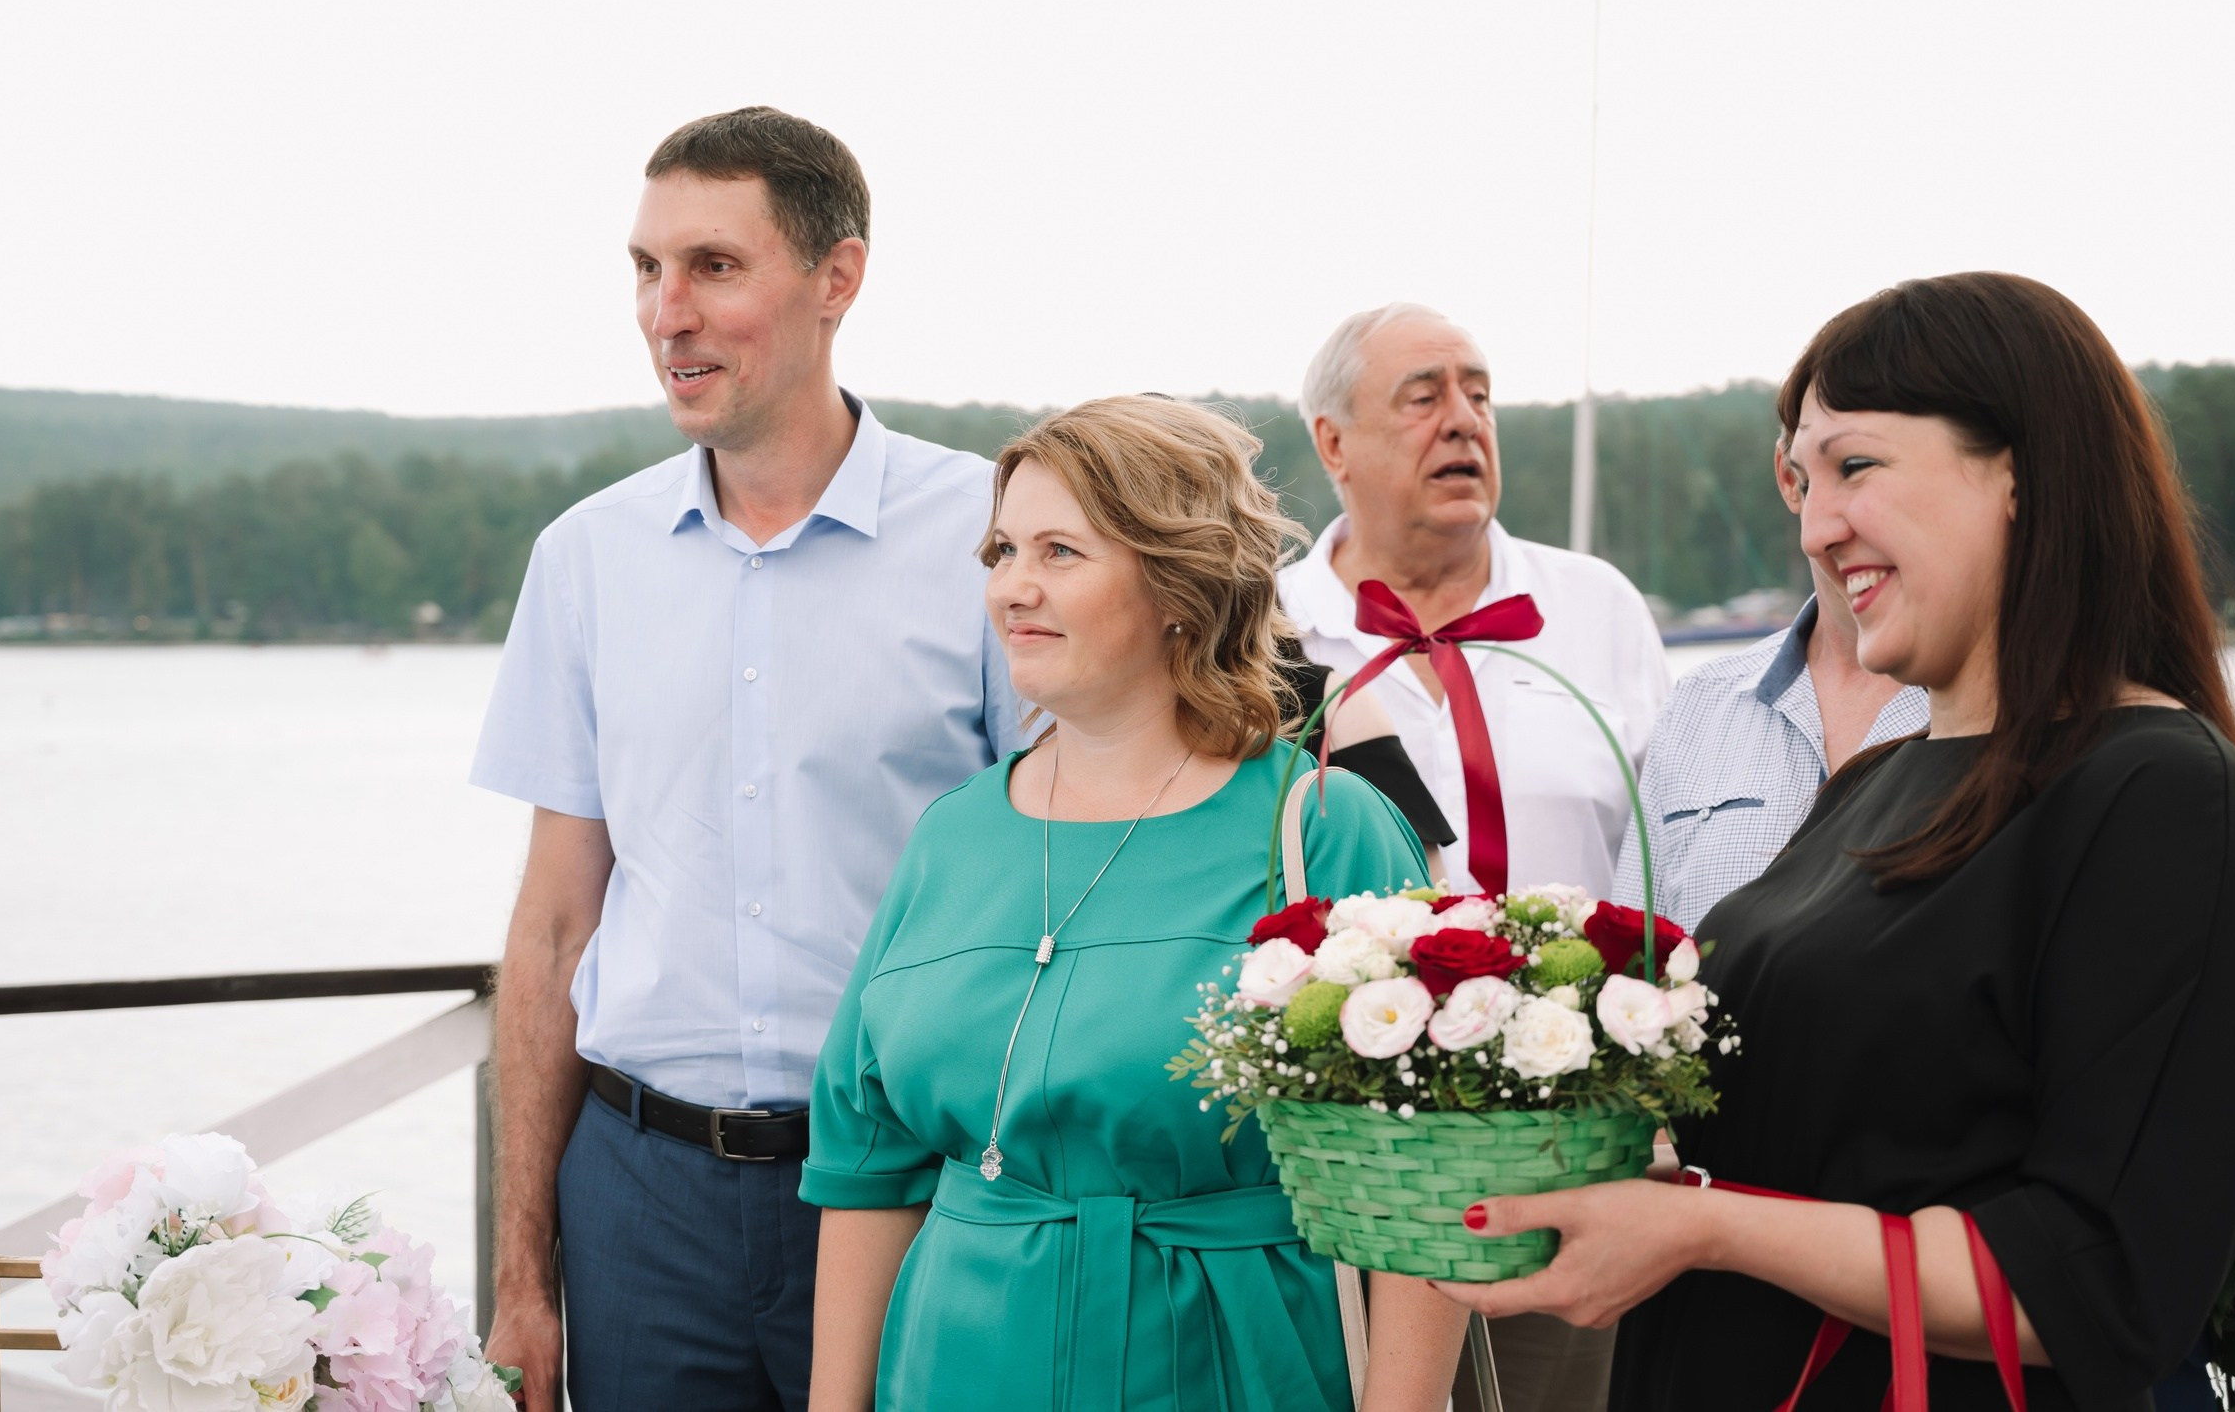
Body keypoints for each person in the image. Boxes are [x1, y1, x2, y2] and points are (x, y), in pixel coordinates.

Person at [1435, 273, 2235, 1412]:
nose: (1814, 523)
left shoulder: (2159, 796)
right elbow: (1809, 1141)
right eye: (1802, 480)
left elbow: (2095, 1280)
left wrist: (1705, 1226)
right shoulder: (1878, 779)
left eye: (1856, 467)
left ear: (2022, 472)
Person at [468, 108, 1021, 1412]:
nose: (668, 311)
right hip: (642, 1202)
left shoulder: (997, 538)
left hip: (921, 1183)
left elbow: (1066, 880)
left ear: (838, 277)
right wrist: (522, 1276)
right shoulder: (585, 559)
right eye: (646, 269)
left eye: (713, 265)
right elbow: (551, 928)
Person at [802, 396, 1471, 1412]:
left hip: (1231, 1365)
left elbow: (1424, 1179)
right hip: (956, 1368)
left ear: (1176, 582)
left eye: (1060, 550)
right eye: (1002, 549)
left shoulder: (1324, 826)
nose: (1011, 587)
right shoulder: (950, 836)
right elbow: (868, 1168)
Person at [1278, 302, 1670, 1409]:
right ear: (1333, 443)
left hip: (1573, 1161)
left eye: (1479, 392)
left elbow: (1661, 863)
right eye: (1423, 396)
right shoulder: (1266, 629)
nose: (1464, 420)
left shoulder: (1593, 606)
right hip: (1350, 1172)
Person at [1606, 439, 1926, 933]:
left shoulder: (2000, 702)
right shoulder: (1696, 704)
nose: (1822, 534)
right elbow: (1632, 963)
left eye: (1861, 466)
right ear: (1787, 475)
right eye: (1833, 469)